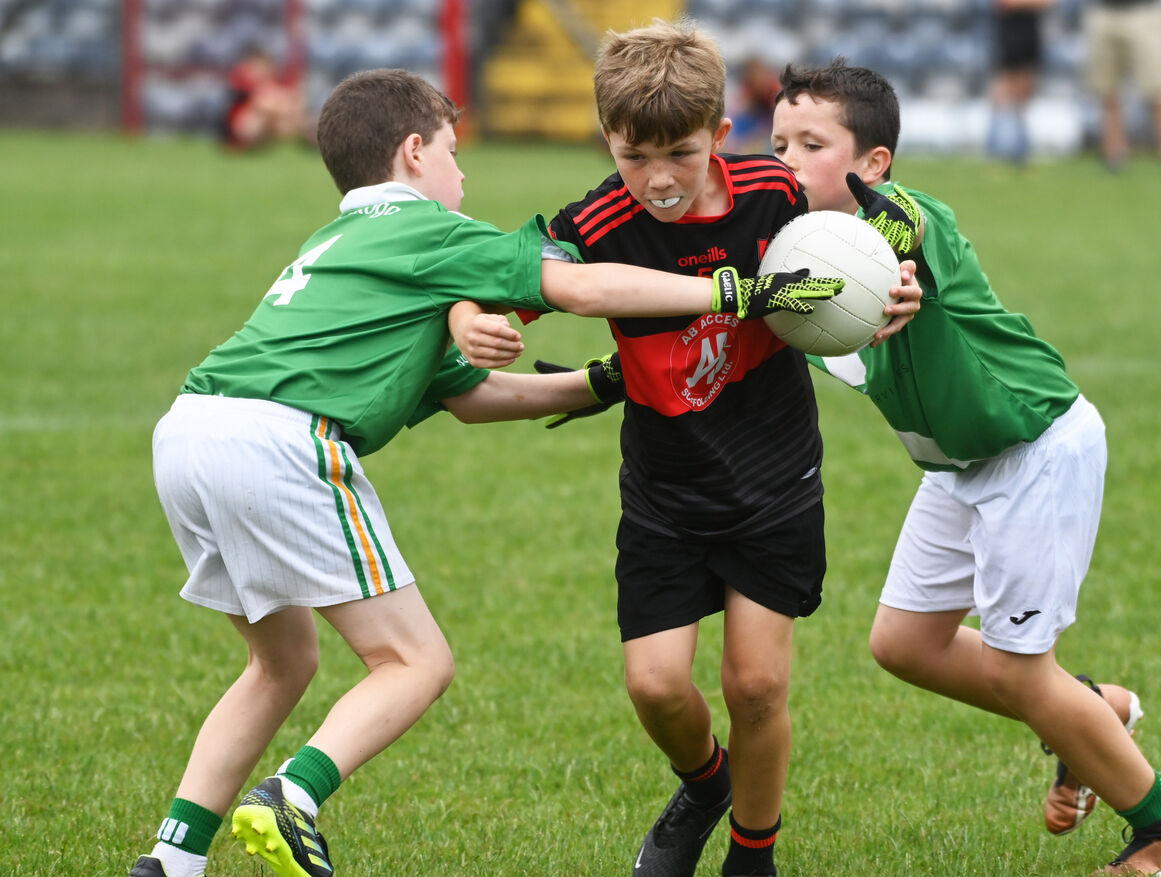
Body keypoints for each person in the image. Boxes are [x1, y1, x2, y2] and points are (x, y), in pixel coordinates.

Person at [126, 67, 830, 877]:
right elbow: (583, 284)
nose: (466, 174)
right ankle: (294, 796)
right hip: (281, 441)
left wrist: (600, 382)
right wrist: (730, 290)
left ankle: (171, 858)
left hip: (190, 430)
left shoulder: (335, 242)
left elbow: (474, 394)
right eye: (456, 153)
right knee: (415, 662)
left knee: (280, 663)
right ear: (416, 152)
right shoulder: (430, 228)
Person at [449, 21, 922, 877]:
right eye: (636, 157)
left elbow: (868, 245)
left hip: (775, 475)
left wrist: (898, 277)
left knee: (756, 685)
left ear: (720, 136)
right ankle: (705, 784)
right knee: (658, 687)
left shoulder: (775, 192)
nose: (659, 179)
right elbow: (495, 288)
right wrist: (470, 324)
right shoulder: (594, 219)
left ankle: (753, 853)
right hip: (667, 486)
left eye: (680, 152)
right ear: (608, 141)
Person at [771, 58, 1161, 875]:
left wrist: (897, 260)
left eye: (812, 143)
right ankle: (1090, 709)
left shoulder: (910, 222)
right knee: (905, 642)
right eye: (779, 138)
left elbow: (909, 225)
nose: (787, 156)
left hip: (1034, 449)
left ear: (872, 164)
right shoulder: (792, 254)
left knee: (1015, 667)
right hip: (958, 468)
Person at [1082, 0, 1161, 172]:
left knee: (1159, 90)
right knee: (1107, 91)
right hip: (1104, 11)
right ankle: (1114, 156)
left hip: (1144, 12)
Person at [985, 0, 1054, 166]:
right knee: (1004, 89)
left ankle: (1020, 150)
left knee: (1025, 91)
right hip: (1010, 31)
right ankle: (996, 148)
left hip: (1030, 30)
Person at [222, 46, 310, 150]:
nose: (261, 69)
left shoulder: (274, 81)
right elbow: (261, 103)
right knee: (265, 110)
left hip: (273, 123)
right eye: (257, 65)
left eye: (263, 65)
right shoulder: (241, 79)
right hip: (242, 126)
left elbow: (296, 99)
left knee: (292, 112)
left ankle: (305, 138)